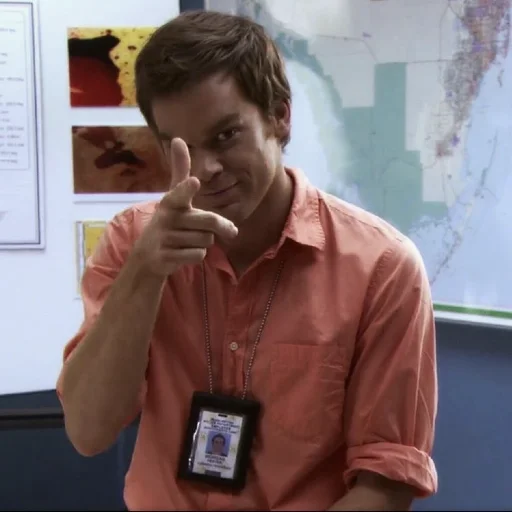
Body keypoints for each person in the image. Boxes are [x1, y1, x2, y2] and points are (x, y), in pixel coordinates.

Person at [56, 9, 438, 511]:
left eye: (226, 136)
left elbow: (386, 484)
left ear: (279, 116)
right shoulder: (133, 241)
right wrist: (144, 275)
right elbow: (88, 431)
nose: (206, 169)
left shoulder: (383, 268)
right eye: (181, 147)